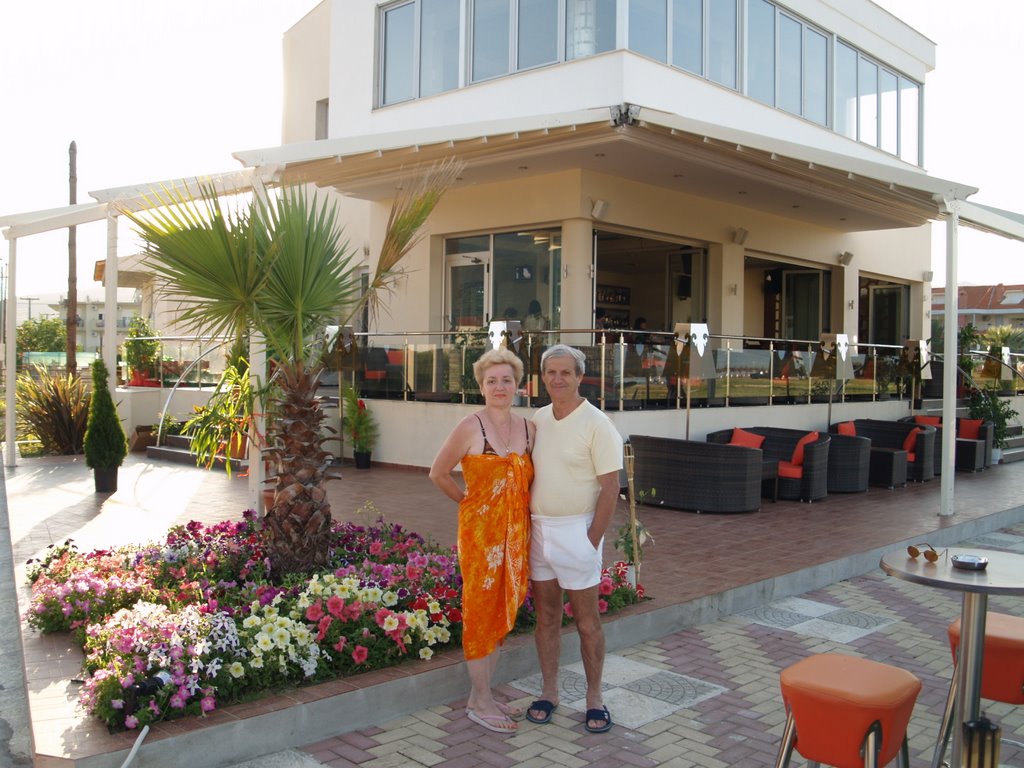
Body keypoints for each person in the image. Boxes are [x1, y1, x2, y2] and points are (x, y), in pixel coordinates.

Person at [429, 347, 535, 734]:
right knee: (480, 611)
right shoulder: (471, 426)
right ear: (481, 386)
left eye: (507, 379)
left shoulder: (529, 428)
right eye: (492, 381)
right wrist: (469, 504)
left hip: (517, 535)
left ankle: (482, 692)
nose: (500, 386)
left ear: (518, 385)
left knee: (503, 607)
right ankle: (481, 701)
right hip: (480, 538)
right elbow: (438, 473)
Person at [525, 344, 623, 733]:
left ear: (581, 377)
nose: (558, 379)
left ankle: (594, 698)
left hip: (577, 532)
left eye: (566, 372)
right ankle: (549, 692)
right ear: (543, 377)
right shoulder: (538, 418)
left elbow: (611, 487)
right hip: (539, 531)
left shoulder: (597, 424)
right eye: (551, 372)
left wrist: (590, 540)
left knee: (586, 622)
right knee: (546, 618)